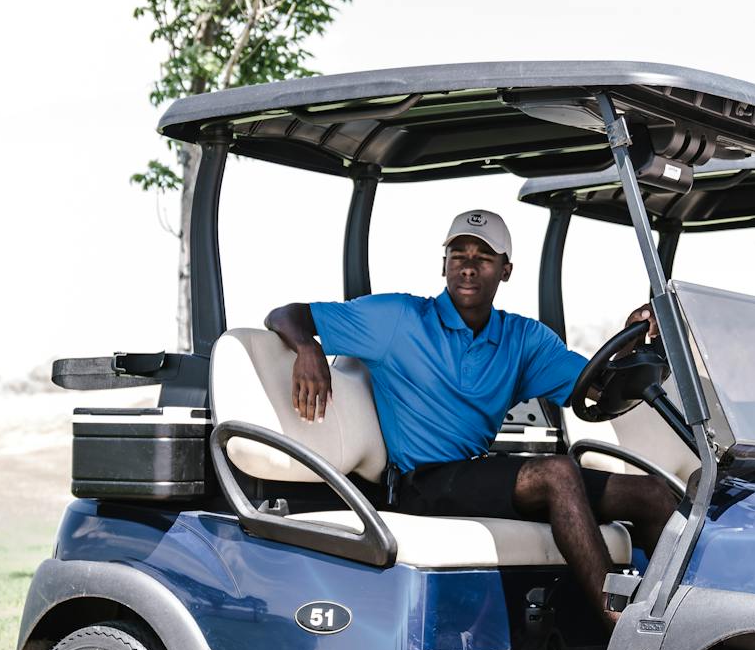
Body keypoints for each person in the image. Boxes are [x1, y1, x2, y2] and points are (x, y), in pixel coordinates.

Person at [265, 208, 680, 625]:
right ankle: (622, 630)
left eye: (482, 257)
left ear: (505, 270)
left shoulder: (523, 339)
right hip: (420, 482)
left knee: (654, 494)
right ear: (443, 264)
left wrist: (632, 344)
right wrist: (307, 348)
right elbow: (286, 315)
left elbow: (596, 388)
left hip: (474, 477)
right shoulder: (397, 319)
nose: (467, 267)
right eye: (457, 255)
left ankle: (670, 620)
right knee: (557, 473)